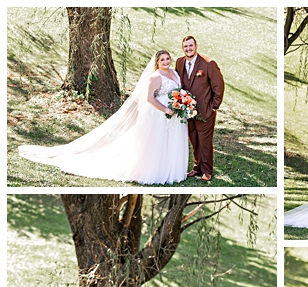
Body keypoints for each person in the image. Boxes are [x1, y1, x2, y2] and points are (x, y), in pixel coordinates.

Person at [18, 50, 189, 184]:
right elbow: (150, 98)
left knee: (171, 140)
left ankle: (172, 170)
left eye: (168, 59)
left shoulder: (174, 72)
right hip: (160, 114)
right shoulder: (155, 77)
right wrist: (165, 110)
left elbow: (178, 90)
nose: (166, 62)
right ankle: (156, 171)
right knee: (157, 142)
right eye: (163, 60)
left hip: (176, 112)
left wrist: (181, 102)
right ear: (157, 62)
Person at [176, 36, 224, 181]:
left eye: (191, 46)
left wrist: (213, 106)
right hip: (187, 111)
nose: (188, 49)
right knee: (194, 140)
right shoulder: (179, 62)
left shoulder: (208, 63)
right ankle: (197, 168)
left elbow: (218, 86)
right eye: (185, 46)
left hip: (205, 111)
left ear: (196, 46)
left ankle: (207, 170)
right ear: (182, 48)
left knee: (205, 142)